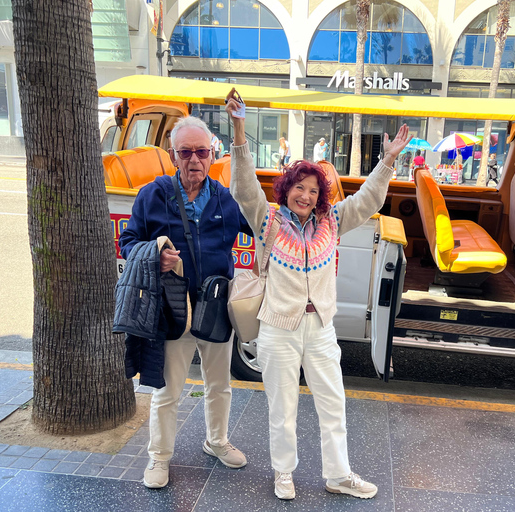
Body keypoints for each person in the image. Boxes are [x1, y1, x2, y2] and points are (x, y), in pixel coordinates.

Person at [225, 87, 411, 501]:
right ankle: (283, 473)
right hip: (278, 327)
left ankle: (339, 474)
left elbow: (368, 200)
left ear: (320, 195)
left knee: (334, 404)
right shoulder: (267, 220)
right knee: (283, 409)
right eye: (299, 187)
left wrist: (388, 161)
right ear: (286, 187)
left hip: (321, 327)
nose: (306, 195)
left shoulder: (332, 221)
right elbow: (243, 187)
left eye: (313, 189)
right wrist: (239, 129)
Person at [119, 116, 252, 489]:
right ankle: (158, 458)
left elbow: (261, 223)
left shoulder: (225, 197)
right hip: (173, 309)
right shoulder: (154, 194)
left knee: (219, 384)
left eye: (202, 152)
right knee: (168, 391)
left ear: (212, 155)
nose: (195, 160)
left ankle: (217, 441)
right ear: (174, 156)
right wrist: (151, 254)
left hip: (216, 308)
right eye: (186, 152)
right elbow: (128, 242)